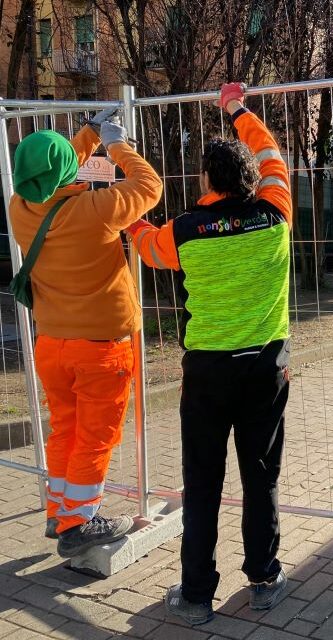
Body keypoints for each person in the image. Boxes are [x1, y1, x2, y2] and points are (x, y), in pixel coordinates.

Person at [126, 82, 292, 625]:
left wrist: (123, 207)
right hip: (265, 368)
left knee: (202, 484)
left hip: (206, 374)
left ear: (205, 181)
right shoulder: (275, 212)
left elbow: (144, 245)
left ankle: (196, 595)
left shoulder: (184, 231)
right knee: (260, 477)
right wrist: (236, 107)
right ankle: (263, 578)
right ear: (251, 179)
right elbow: (270, 151)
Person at [9, 110, 163, 558]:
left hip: (52, 344)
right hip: (100, 348)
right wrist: (117, 145)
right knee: (95, 437)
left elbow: (52, 171)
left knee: (65, 429)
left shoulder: (19, 209)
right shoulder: (96, 210)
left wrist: (90, 134)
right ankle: (79, 523)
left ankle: (58, 512)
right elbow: (150, 186)